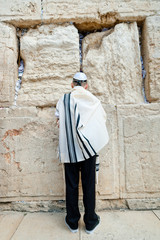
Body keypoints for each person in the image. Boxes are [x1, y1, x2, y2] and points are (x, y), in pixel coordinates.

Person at [55, 72, 109, 234]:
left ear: (72, 85)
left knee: (71, 185)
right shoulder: (92, 100)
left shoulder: (63, 100)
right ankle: (90, 222)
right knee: (89, 184)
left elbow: (58, 121)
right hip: (88, 150)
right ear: (86, 85)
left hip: (69, 149)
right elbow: (101, 120)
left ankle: (72, 222)